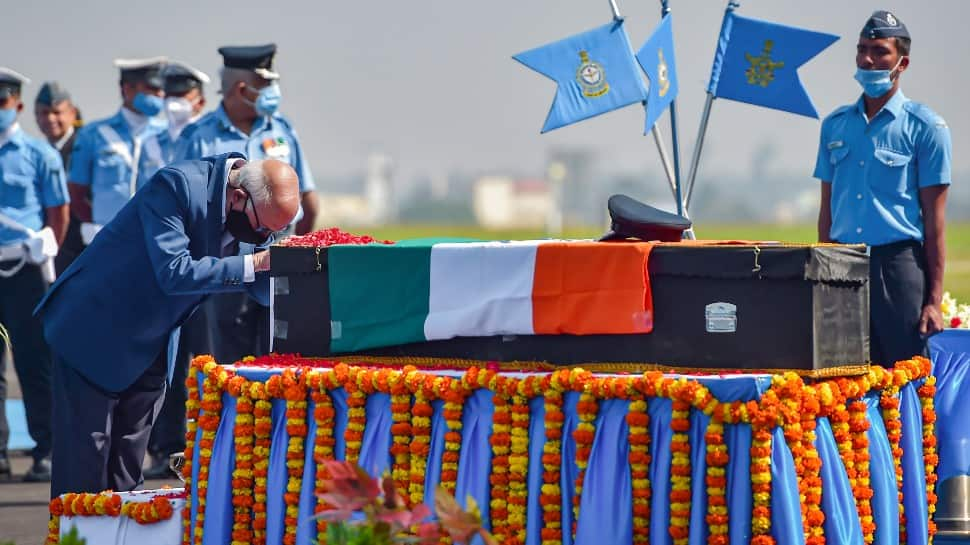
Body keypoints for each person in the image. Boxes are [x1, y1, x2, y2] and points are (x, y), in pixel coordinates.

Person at [36, 154, 300, 497]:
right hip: (95, 330)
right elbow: (175, 273)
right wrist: (255, 264)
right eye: (263, 228)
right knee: (85, 470)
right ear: (237, 197)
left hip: (152, 343)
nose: (263, 236)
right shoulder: (176, 186)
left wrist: (295, 264)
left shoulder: (253, 211)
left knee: (127, 476)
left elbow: (259, 283)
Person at [814, 10, 951, 365]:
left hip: (897, 265)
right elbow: (826, 210)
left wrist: (933, 301)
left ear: (902, 62)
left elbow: (935, 224)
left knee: (903, 373)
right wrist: (824, 275)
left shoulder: (926, 128)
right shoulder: (835, 126)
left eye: (879, 50)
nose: (867, 59)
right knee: (841, 375)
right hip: (843, 265)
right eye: (861, 49)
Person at [174, 44, 319, 363]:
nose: (273, 93)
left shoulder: (282, 130)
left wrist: (292, 249)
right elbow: (182, 207)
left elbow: (308, 201)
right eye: (266, 85)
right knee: (229, 364)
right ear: (242, 89)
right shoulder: (199, 136)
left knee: (281, 360)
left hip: (279, 267)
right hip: (227, 270)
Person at [144, 59, 213, 479]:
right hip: (161, 263)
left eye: (181, 96)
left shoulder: (204, 138)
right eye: (167, 95)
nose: (173, 104)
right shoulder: (148, 143)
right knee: (164, 359)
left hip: (203, 265)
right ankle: (164, 447)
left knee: (203, 357)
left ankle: (202, 446)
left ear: (199, 100)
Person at [0, 68, 69, 482]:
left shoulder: (39, 155)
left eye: (2, 102)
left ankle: (46, 448)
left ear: (18, 106)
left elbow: (58, 210)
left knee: (33, 362)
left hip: (25, 270)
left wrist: (49, 246)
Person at [67, 57, 168, 249]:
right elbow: (76, 193)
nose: (160, 95)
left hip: (156, 239)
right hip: (108, 240)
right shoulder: (93, 134)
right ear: (127, 89)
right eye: (152, 88)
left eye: (161, 90)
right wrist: (101, 223)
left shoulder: (167, 134)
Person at [34, 82, 83, 275]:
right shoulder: (35, 154)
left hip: (82, 244)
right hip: (46, 250)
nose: (50, 119)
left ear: (72, 112)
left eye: (56, 112)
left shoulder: (85, 146)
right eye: (44, 113)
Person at [161, 60, 209, 150]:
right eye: (169, 94)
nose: (172, 100)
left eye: (180, 95)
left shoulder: (210, 139)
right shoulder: (151, 144)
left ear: (201, 102)